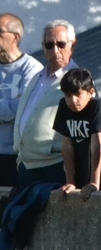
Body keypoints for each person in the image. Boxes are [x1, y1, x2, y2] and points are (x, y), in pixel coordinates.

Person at [13, 19, 79, 187]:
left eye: (61, 44)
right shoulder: (38, 76)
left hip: (54, 165)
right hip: (27, 165)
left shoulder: (78, 80)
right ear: (43, 47)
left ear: (73, 45)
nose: (55, 50)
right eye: (49, 45)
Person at [52, 68, 101, 200]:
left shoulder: (98, 106)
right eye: (68, 95)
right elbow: (66, 147)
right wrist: (70, 181)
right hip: (83, 180)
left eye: (77, 94)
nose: (73, 100)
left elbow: (96, 146)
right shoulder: (64, 106)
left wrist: (94, 183)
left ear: (90, 92)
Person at [0, 13, 43, 186]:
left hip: (16, 157)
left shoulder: (32, 69)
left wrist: (14, 107)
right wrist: (9, 108)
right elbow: (14, 107)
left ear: (15, 37)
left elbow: (23, 107)